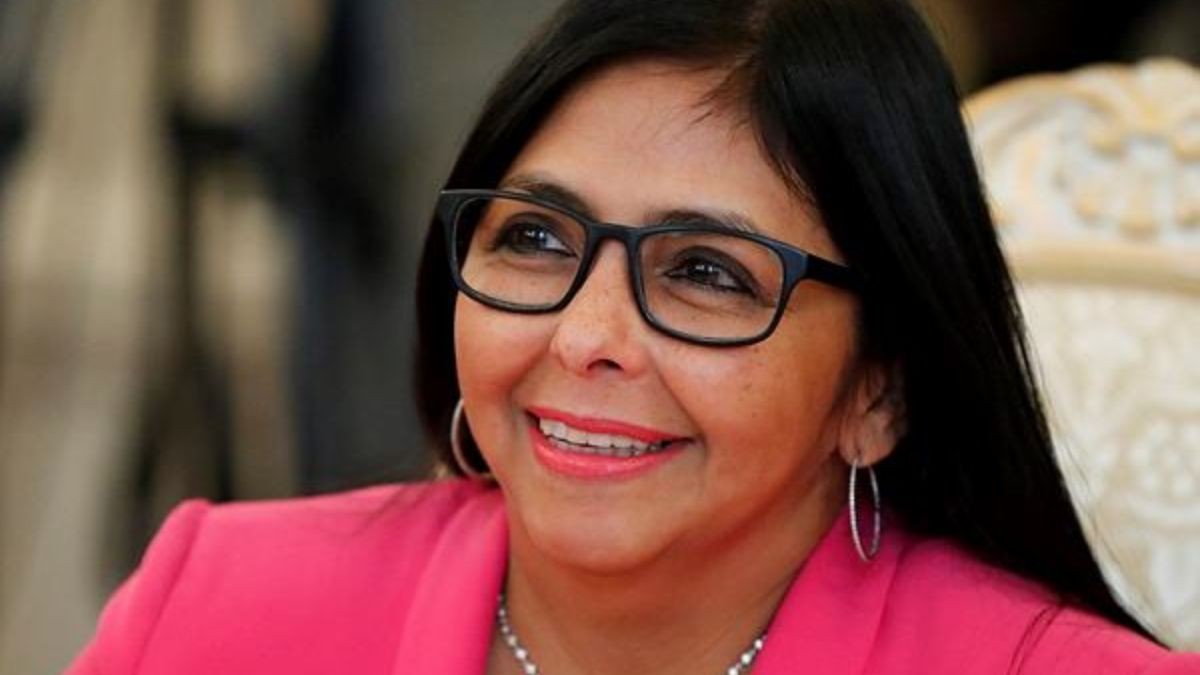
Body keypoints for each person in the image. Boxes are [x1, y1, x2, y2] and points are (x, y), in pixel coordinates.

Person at [67, 0, 1200, 673]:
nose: (586, 336)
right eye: (535, 239)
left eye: (706, 273)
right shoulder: (215, 602)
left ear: (879, 392)